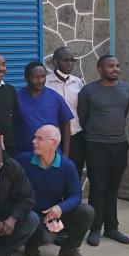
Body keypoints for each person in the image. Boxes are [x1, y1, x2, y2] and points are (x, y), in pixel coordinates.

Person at [17, 125, 93, 256]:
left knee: (87, 211)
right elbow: (6, 172)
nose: (33, 141)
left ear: (53, 143)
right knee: (47, 237)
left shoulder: (67, 166)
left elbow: (76, 195)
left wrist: (60, 208)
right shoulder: (24, 160)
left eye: (39, 138)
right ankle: (31, 244)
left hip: (53, 212)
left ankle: (69, 250)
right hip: (31, 213)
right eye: (34, 137)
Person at [77, 55, 129, 246]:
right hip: (96, 145)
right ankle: (95, 228)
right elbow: (83, 117)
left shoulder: (127, 88)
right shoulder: (88, 91)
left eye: (117, 66)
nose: (115, 69)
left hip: (119, 144)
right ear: (100, 69)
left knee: (112, 188)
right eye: (110, 66)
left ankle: (112, 228)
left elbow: (123, 113)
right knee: (98, 188)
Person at [14, 61, 73, 155]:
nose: (40, 80)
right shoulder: (16, 97)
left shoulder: (54, 97)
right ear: (26, 78)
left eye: (43, 76)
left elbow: (66, 123)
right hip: (25, 151)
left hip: (51, 153)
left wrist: (66, 153)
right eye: (35, 77)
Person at [46, 47, 86, 177]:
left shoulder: (78, 82)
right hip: (53, 139)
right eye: (65, 60)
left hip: (76, 137)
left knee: (75, 174)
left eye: (72, 60)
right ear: (55, 62)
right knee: (54, 176)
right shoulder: (46, 83)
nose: (70, 64)